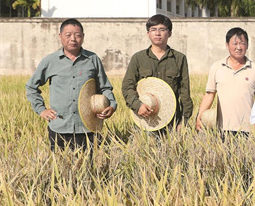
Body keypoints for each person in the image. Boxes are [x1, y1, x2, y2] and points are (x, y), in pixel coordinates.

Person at [26, 18, 117, 150]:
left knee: (90, 163)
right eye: (68, 35)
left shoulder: (93, 59)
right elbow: (31, 86)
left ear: (83, 36)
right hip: (59, 127)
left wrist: (112, 105)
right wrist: (41, 110)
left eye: (77, 35)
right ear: (60, 36)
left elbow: (105, 87)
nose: (73, 39)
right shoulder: (50, 61)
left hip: (88, 128)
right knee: (60, 162)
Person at [122, 14, 193, 131]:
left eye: (162, 29)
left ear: (169, 33)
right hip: (144, 120)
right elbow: (127, 87)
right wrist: (138, 106)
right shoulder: (138, 58)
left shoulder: (179, 58)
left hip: (172, 121)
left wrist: (184, 120)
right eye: (153, 29)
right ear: (148, 34)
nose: (157, 33)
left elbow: (185, 92)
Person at [196, 27, 255, 136]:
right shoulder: (217, 67)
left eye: (242, 43)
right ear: (227, 45)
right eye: (234, 43)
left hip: (248, 129)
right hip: (222, 129)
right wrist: (199, 117)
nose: (238, 47)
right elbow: (209, 95)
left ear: (247, 46)